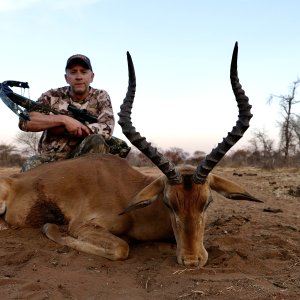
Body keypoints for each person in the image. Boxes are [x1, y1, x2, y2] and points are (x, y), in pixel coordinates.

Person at [19, 54, 123, 172]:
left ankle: (91, 186)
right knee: (29, 166)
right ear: (66, 78)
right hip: (52, 157)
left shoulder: (101, 96)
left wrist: (81, 128)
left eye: (83, 72)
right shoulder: (51, 95)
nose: (78, 77)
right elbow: (25, 122)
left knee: (96, 140)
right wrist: (63, 120)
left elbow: (107, 127)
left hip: (84, 156)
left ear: (92, 77)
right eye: (73, 72)